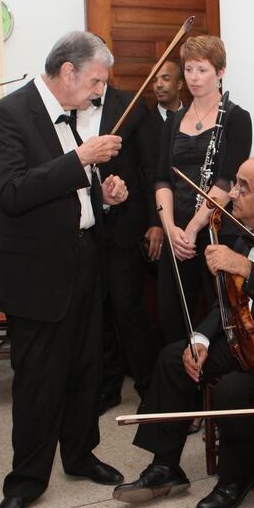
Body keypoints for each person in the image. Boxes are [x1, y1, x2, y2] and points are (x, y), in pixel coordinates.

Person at [112, 156, 254, 508]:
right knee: (172, 357)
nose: (232, 194)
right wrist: (199, 338)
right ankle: (166, 466)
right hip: (241, 340)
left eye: (243, 187)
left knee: (232, 388)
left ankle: (235, 478)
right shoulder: (240, 235)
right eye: (235, 184)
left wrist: (246, 269)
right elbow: (225, 303)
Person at [0, 31, 129, 508]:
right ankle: (25, 480)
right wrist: (81, 160)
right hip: (36, 271)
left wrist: (102, 194)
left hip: (84, 257)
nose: (98, 93)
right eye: (95, 82)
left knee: (87, 366)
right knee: (40, 379)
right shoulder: (10, 114)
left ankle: (80, 454)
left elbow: (69, 190)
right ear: (67, 72)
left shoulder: (73, 116)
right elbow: (12, 191)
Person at [152, 35, 252, 345]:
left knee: (218, 315)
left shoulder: (237, 119)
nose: (194, 78)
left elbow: (225, 181)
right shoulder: (173, 121)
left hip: (215, 229)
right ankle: (178, 384)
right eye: (189, 70)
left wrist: (194, 228)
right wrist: (170, 228)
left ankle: (214, 390)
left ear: (220, 72)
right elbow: (162, 180)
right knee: (171, 314)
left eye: (202, 70)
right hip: (177, 232)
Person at [94, 55, 159, 415]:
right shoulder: (67, 108)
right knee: (99, 310)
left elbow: (151, 167)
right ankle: (108, 386)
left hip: (124, 225)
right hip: (88, 229)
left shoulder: (130, 105)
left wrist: (153, 221)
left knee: (128, 308)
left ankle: (149, 385)